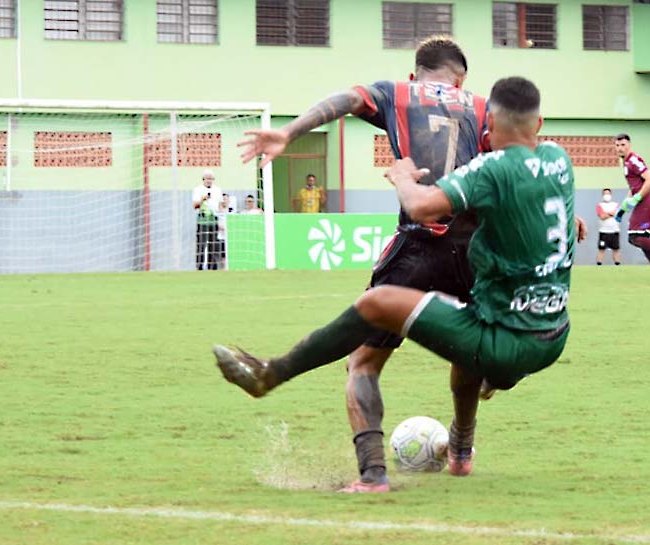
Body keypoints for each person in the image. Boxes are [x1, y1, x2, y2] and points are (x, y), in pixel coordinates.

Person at [224, 77, 585, 492]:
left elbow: (421, 206)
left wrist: (401, 175)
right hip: (554, 334)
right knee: (470, 356)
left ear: (489, 130)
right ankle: (463, 446)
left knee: (377, 306)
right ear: (539, 123)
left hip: (506, 338)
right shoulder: (560, 160)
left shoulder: (491, 170)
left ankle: (273, 375)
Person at [237, 36, 488, 493]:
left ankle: (373, 476)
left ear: (416, 74)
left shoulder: (396, 92)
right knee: (468, 351)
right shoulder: (482, 106)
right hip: (472, 249)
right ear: (462, 77)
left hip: (416, 246)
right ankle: (462, 451)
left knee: (365, 361)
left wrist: (289, 132)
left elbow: (348, 99)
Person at [613, 134, 650, 280]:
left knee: (634, 238)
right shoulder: (626, 163)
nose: (620, 148)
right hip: (646, 202)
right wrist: (622, 209)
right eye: (617, 145)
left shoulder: (633, 160)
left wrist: (638, 198)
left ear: (629, 146)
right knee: (643, 240)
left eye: (623, 145)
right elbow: (634, 188)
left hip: (647, 202)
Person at [192, 170, 222, 270]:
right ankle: (199, 266)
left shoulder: (217, 190)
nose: (209, 181)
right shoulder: (198, 190)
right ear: (203, 179)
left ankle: (212, 266)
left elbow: (221, 205)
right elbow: (195, 205)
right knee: (201, 244)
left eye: (211, 178)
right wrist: (203, 199)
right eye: (207, 178)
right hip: (202, 220)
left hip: (214, 220)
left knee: (213, 245)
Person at [595, 188, 621, 265]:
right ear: (602, 195)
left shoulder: (616, 205)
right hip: (603, 231)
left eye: (608, 193)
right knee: (601, 249)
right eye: (605, 194)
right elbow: (602, 216)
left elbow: (617, 215)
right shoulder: (599, 205)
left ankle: (617, 264)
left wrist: (607, 214)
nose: (607, 195)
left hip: (615, 231)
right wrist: (610, 213)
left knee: (616, 249)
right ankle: (599, 265)